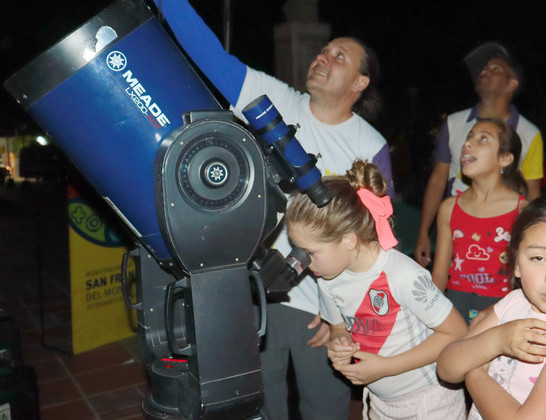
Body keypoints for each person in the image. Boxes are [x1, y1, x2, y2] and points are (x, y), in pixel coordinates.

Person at [155, 1, 394, 418]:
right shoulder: (276, 101)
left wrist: (345, 313)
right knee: (263, 406)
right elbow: (209, 55)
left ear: (359, 82)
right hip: (257, 295)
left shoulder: (370, 145)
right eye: (324, 50)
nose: (324, 57)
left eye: (340, 56)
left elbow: (379, 238)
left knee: (326, 408)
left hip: (322, 312)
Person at [286, 161, 467, 419]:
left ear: (348, 239)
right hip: (380, 401)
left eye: (310, 253)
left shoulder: (403, 275)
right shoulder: (328, 277)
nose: (303, 263)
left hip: (429, 400)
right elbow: (339, 328)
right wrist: (339, 346)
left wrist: (387, 367)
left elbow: (457, 333)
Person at [437, 195, 546, 419]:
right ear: (516, 265)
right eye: (538, 258)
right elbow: (447, 367)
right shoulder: (515, 301)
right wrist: (498, 339)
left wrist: (474, 372)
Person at [415, 41, 544, 267]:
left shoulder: (529, 133)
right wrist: (424, 231)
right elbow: (437, 180)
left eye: (496, 69)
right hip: (455, 230)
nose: (485, 71)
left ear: (511, 84)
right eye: (484, 68)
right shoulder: (454, 123)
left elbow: (533, 193)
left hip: (502, 235)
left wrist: (535, 243)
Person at [431, 118, 528, 322]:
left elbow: (527, 278)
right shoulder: (449, 208)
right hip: (455, 304)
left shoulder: (523, 211)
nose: (467, 144)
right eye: (469, 137)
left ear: (505, 159)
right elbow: (439, 274)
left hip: (502, 308)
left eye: (483, 138)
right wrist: (433, 318)